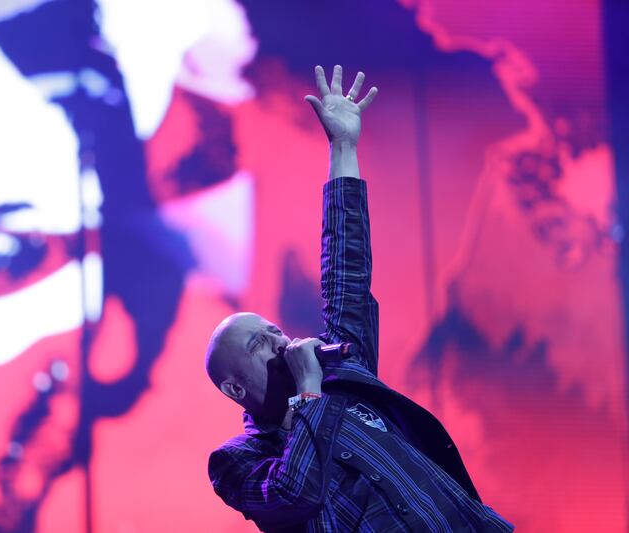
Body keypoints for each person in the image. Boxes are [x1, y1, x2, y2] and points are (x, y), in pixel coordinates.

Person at [205, 65, 514, 532]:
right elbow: (294, 495)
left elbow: (345, 267)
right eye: (258, 345)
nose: (279, 341)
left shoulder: (344, 374)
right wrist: (308, 394)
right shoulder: (236, 462)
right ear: (235, 389)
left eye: (273, 331)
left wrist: (343, 147)